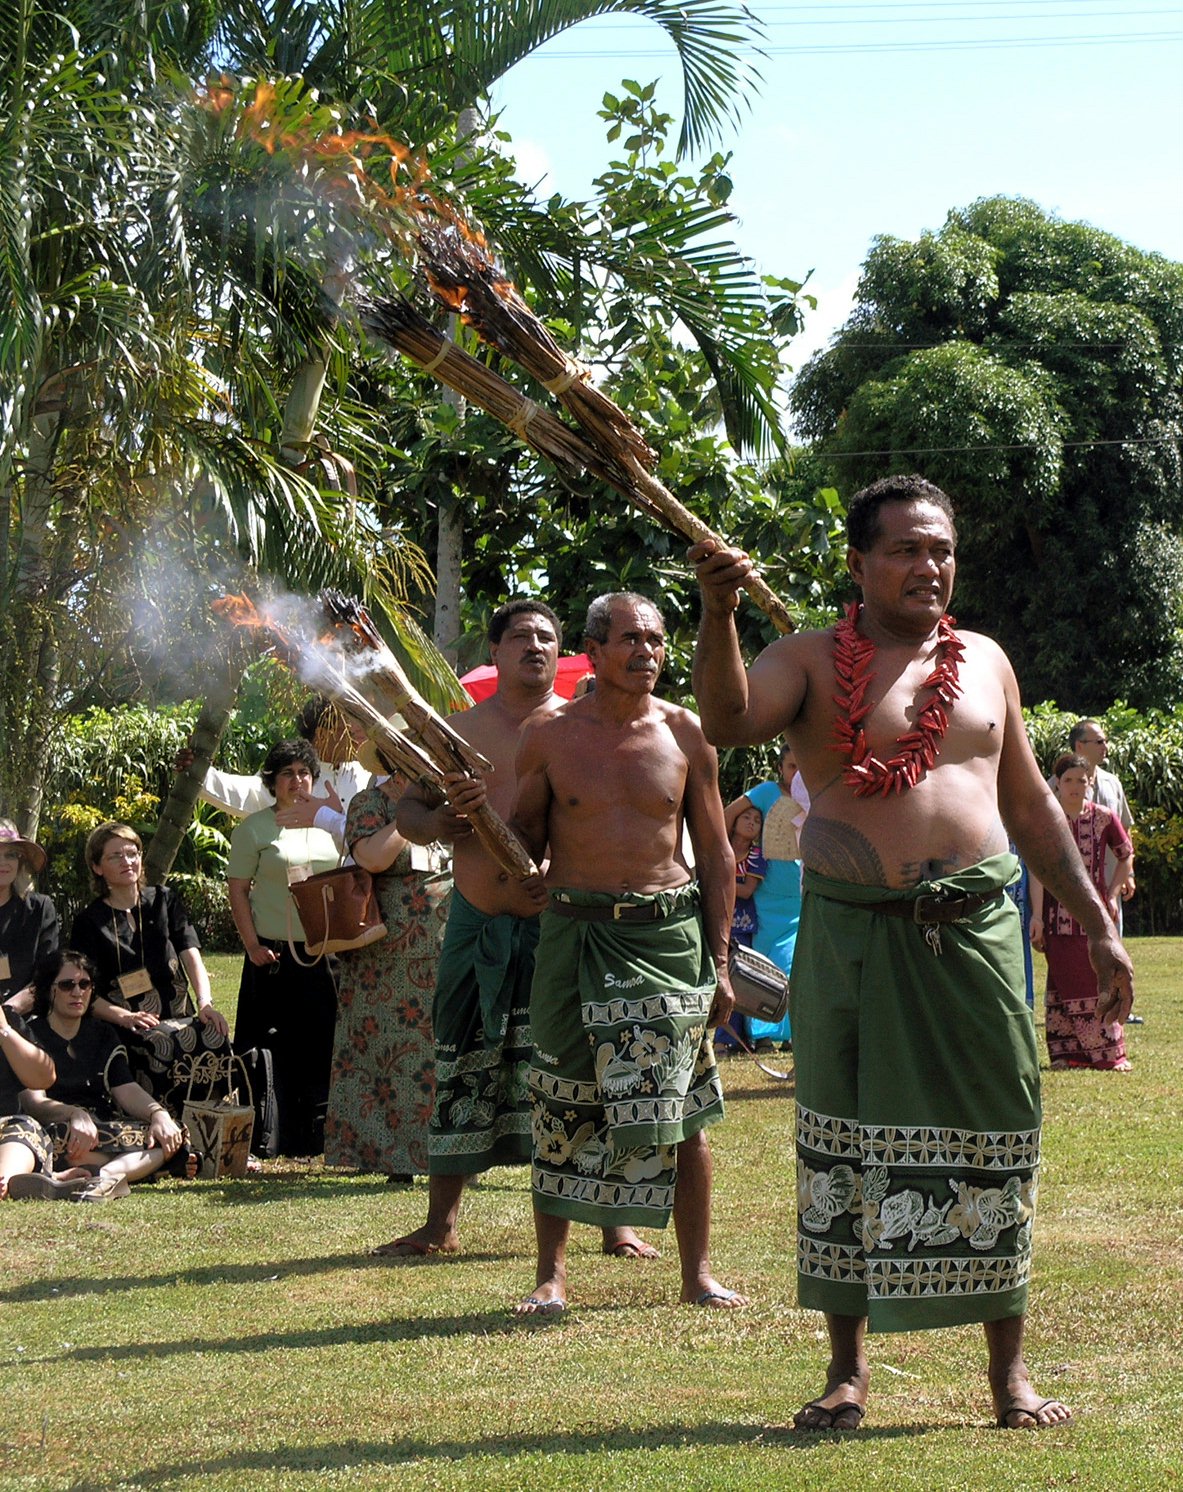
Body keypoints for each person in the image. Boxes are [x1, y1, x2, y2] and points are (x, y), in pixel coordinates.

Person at [691, 472, 1133, 1431]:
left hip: (973, 933)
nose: (927, 565)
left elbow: (1027, 807)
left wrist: (1096, 923)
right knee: (841, 1143)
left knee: (997, 1131)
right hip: (854, 938)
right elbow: (727, 724)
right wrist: (718, 611)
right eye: (904, 548)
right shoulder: (805, 658)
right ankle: (846, 1372)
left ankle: (1008, 1377)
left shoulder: (984, 661)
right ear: (858, 564)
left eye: (939, 548)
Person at [388, 600, 654, 1263]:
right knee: (460, 1067)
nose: (535, 646)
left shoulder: (579, 729)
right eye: (521, 637)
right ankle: (440, 1223)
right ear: (496, 652)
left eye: (548, 637)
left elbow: (602, 824)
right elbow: (409, 812)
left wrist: (559, 871)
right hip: (476, 922)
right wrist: (439, 824)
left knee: (581, 1077)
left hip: (559, 928)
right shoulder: (451, 733)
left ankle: (612, 1223)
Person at [509, 592, 747, 1316]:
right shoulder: (547, 735)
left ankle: (696, 1273)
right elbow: (522, 845)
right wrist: (477, 827)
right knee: (560, 1100)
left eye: (655, 640)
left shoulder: (685, 733)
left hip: (664, 936)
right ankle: (551, 1275)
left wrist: (722, 962)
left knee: (682, 1107)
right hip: (573, 934)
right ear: (594, 649)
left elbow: (715, 853)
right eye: (629, 640)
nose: (645, 652)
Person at [324, 773, 450, 1179]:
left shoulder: (445, 799)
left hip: (441, 943)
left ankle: (445, 1154)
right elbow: (372, 858)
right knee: (383, 1052)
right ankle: (388, 1155)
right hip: (385, 951)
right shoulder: (370, 802)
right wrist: (411, 819)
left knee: (438, 1048)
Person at [227, 739, 340, 1156]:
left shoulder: (329, 822)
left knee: (323, 1040)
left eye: (304, 773)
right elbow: (238, 890)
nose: (298, 781)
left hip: (325, 951)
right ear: (272, 782)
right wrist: (252, 943)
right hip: (272, 953)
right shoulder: (254, 828)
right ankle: (266, 1135)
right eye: (288, 773)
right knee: (270, 1045)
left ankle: (319, 1136)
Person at [69, 822, 230, 1108]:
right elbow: (83, 992)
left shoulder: (164, 900)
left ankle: (212, 1123)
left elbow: (190, 954)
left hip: (179, 1013)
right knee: (159, 1044)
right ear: (97, 867)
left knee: (213, 1032)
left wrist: (205, 1003)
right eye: (115, 856)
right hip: (124, 1023)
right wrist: (124, 1017)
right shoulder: (88, 922)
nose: (127, 861)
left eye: (132, 853)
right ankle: (161, 1123)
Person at [21, 950, 194, 1200]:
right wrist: (74, 1114)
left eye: (85, 984)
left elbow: (125, 1089)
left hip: (101, 1130)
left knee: (173, 1135)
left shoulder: (102, 1034)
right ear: (50, 990)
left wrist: (159, 1114)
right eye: (67, 985)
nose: (78, 992)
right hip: (58, 1131)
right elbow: (33, 1102)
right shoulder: (29, 1036)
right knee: (63, 1140)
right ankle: (121, 1170)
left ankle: (102, 1178)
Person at [1030, 754, 1133, 1070]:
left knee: (1097, 980)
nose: (1075, 786)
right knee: (1062, 982)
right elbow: (1036, 870)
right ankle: (1066, 1053)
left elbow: (1125, 854)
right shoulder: (1047, 820)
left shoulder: (1103, 817)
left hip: (1094, 920)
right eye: (1068, 780)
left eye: (1081, 780)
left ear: (1090, 783)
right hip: (1055, 919)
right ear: (1057, 783)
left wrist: (1113, 896)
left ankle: (1110, 1053)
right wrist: (1036, 915)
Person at [179, 697, 372, 851]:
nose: (356, 734)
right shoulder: (294, 776)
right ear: (322, 734)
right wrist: (198, 771)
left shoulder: (366, 772)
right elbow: (246, 792)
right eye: (347, 728)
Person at [724, 744, 803, 1049]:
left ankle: (792, 1035)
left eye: (801, 766)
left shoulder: (814, 794)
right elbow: (728, 813)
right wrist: (730, 852)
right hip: (765, 897)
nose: (796, 773)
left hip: (799, 895)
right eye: (791, 767)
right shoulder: (767, 791)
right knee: (767, 964)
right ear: (780, 768)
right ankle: (763, 1034)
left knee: (794, 964)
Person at [1, 991, 83, 1199]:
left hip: (5, 1130)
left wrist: (4, 1031)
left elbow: (43, 1079)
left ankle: (5, 1180)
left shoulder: (8, 1021)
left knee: (26, 1128)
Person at [0, 820, 59, 1009]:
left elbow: (48, 972)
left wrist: (10, 1011)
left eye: (11, 855)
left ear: (20, 862)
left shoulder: (39, 908)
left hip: (26, 1016)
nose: (3, 862)